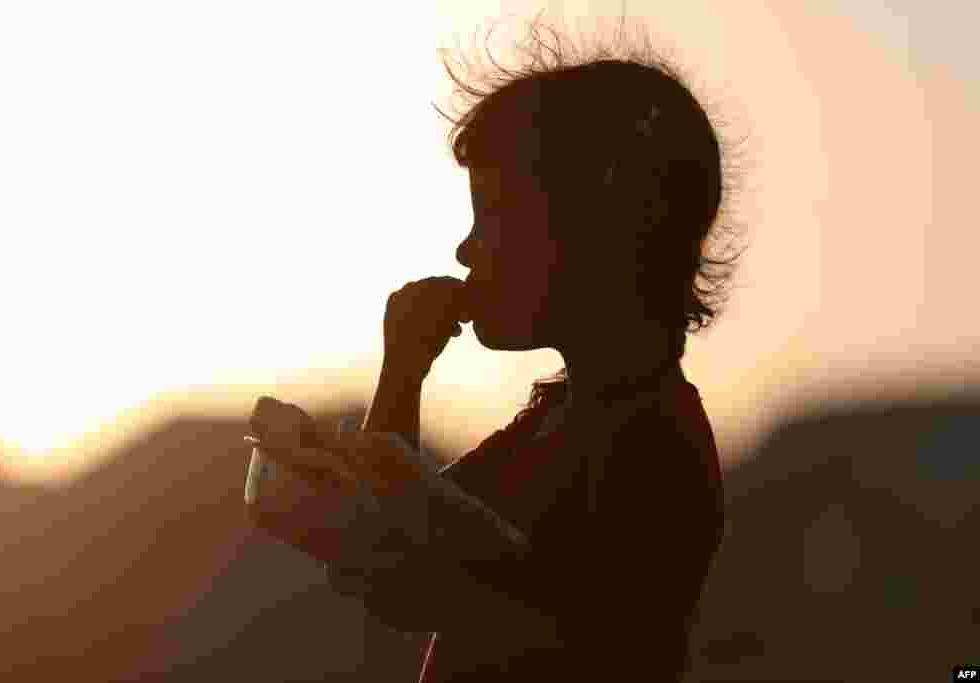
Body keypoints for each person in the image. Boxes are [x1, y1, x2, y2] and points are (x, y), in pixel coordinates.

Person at [249, 10, 750, 682]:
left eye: (495, 214)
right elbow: (385, 551)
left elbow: (585, 630)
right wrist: (403, 372)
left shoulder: (655, 444)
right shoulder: (551, 427)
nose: (465, 248)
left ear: (594, 234)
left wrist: (460, 560)